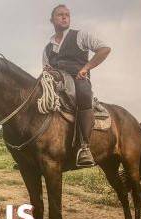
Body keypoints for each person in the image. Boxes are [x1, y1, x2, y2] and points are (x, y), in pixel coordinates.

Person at [42, 4, 111, 167]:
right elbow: (45, 69)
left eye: (67, 15)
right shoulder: (47, 48)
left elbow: (104, 49)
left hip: (78, 78)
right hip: (56, 81)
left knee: (84, 94)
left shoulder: (80, 35)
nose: (65, 17)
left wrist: (86, 68)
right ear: (52, 20)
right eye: (60, 15)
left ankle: (85, 147)